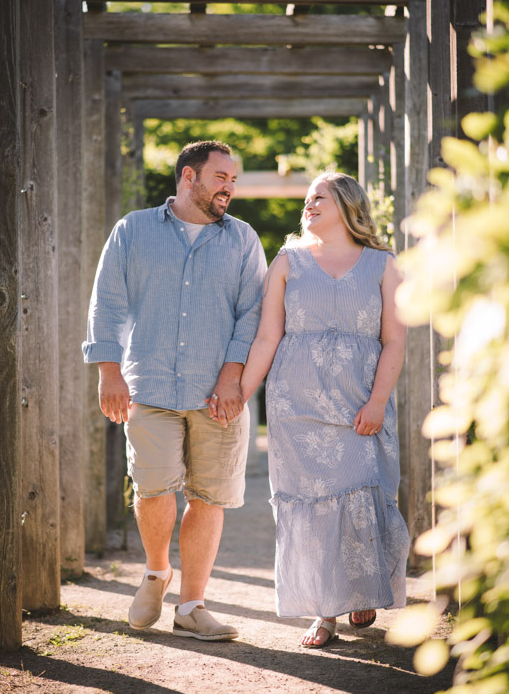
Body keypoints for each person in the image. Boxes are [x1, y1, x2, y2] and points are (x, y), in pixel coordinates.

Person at [83, 140, 267, 641]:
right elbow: (108, 302)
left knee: (208, 497)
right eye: (221, 177)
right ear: (189, 176)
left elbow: (252, 313)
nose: (230, 187)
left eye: (233, 179)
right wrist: (108, 371)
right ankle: (156, 571)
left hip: (218, 393)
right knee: (154, 488)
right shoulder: (133, 230)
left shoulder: (244, 239)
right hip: (151, 384)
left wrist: (232, 377)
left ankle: (191, 606)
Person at [228, 171, 410, 647]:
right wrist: (242, 393)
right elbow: (269, 336)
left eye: (319, 197)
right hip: (297, 405)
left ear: (348, 205)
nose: (309, 204)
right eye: (307, 199)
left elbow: (394, 342)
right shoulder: (287, 260)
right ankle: (323, 613)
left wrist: (376, 402)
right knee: (309, 507)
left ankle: (364, 587)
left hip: (358, 404)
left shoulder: (383, 265)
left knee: (362, 495)